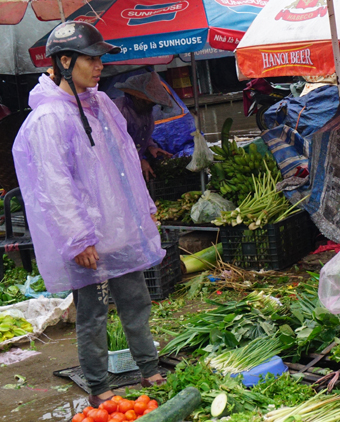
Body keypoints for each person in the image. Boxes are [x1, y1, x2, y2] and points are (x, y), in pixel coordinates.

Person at [12, 21, 167, 406]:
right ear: (65, 61)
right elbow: (54, 186)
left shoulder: (102, 105)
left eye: (101, 59)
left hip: (120, 231)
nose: (100, 66)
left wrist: (144, 209)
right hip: (87, 241)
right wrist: (78, 238)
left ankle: (148, 368)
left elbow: (127, 162)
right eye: (92, 59)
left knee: (136, 302)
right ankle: (99, 387)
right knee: (93, 315)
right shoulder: (50, 119)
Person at [113, 72, 174, 180]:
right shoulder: (118, 111)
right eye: (149, 101)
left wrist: (151, 147)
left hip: (132, 169)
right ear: (138, 97)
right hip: (116, 169)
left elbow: (141, 135)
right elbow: (117, 144)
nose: (152, 105)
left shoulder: (145, 112)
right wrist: (139, 160)